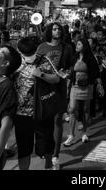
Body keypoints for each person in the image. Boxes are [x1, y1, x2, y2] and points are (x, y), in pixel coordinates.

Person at [36, 22, 74, 170]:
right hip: (44, 88)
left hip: (60, 88)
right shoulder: (42, 47)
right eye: (54, 29)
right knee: (46, 122)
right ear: (49, 31)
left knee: (58, 120)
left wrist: (69, 72)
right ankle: (47, 152)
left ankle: (55, 155)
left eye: (59, 29)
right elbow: (35, 66)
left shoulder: (67, 47)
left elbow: (72, 64)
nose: (57, 31)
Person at [63, 38, 103, 146]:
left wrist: (100, 86)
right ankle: (71, 135)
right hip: (75, 86)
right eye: (77, 44)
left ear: (84, 46)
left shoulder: (90, 58)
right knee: (72, 109)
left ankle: (84, 133)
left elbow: (96, 73)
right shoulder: (74, 57)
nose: (76, 45)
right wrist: (67, 76)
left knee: (86, 110)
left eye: (79, 44)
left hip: (87, 87)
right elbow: (69, 70)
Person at [13, 37, 40, 170]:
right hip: (18, 112)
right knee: (24, 148)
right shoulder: (14, 64)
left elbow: (57, 79)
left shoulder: (43, 62)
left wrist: (42, 75)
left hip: (36, 111)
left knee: (37, 145)